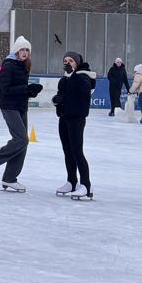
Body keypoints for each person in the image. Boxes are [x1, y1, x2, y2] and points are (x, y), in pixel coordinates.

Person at [0, 35, 41, 193]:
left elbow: (20, 89)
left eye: (27, 50)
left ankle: (10, 178)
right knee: (21, 139)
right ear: (16, 51)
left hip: (21, 107)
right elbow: (6, 90)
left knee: (22, 143)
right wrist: (27, 89)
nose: (25, 52)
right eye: (22, 49)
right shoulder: (8, 65)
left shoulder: (24, 65)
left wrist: (31, 92)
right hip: (9, 107)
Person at [52, 51, 95, 199]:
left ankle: (86, 185)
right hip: (64, 118)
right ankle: (72, 181)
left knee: (77, 151)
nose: (67, 63)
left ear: (77, 62)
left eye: (71, 60)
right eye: (65, 61)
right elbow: (62, 95)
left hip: (77, 118)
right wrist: (57, 101)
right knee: (67, 151)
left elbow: (83, 90)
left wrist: (73, 75)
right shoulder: (64, 79)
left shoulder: (84, 76)